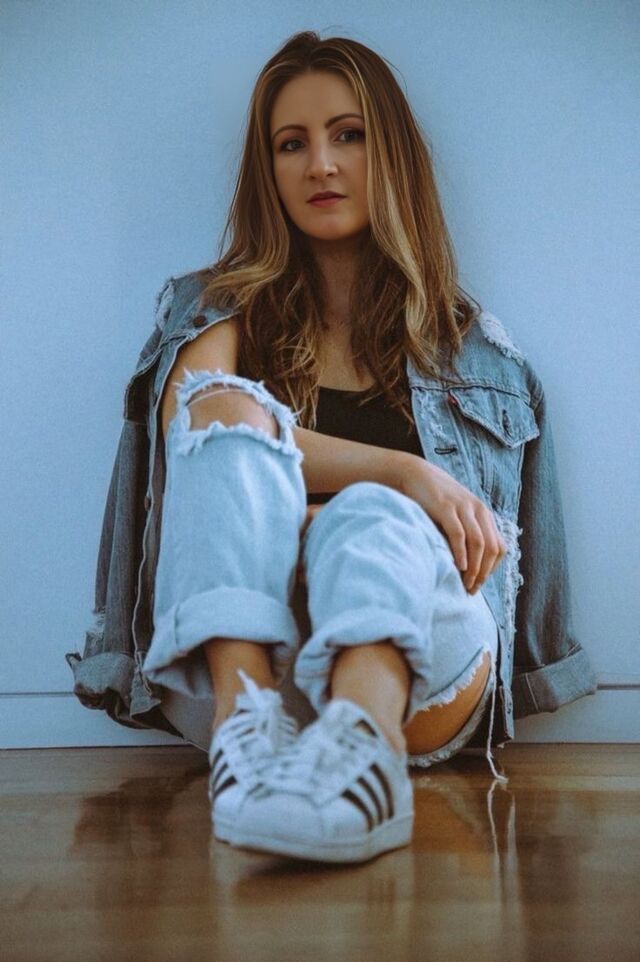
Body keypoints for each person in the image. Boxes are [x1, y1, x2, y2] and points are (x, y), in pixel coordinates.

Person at [67, 30, 599, 865]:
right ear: (268, 169)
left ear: (390, 152)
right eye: (292, 144)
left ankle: (364, 753)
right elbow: (198, 424)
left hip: (421, 672)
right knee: (235, 418)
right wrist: (406, 472)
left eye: (347, 134)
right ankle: (250, 741)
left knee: (371, 520)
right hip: (251, 664)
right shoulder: (211, 310)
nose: (320, 164)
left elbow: (493, 581)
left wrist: (343, 514)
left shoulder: (484, 360)